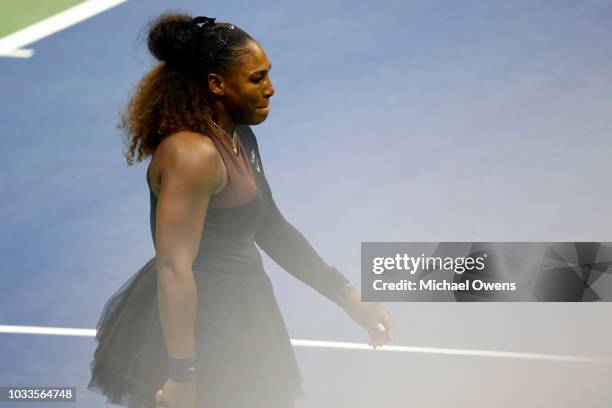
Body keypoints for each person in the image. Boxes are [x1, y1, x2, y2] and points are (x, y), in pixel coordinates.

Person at [87, 13, 395, 408]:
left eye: (267, 74)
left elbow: (271, 226)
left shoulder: (236, 135)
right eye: (256, 78)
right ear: (216, 83)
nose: (271, 89)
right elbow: (174, 268)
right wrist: (183, 374)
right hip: (197, 329)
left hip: (243, 311)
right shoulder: (191, 155)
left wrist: (348, 295)